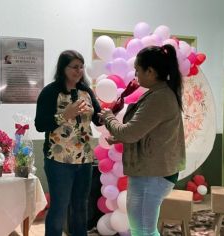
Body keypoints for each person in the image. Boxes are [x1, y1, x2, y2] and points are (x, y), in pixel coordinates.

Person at [98, 44, 186, 236]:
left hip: (152, 174)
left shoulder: (159, 97)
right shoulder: (158, 93)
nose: (135, 76)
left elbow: (130, 132)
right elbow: (145, 131)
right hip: (151, 172)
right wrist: (120, 136)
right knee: (143, 228)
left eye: (138, 71)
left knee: (143, 230)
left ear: (151, 71)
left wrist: (109, 117)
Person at [35, 50, 102, 236]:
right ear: (63, 68)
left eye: (81, 67)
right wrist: (65, 115)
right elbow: (40, 124)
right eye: (74, 67)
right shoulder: (50, 92)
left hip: (85, 160)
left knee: (81, 207)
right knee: (59, 207)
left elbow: (97, 119)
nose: (79, 71)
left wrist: (109, 116)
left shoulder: (86, 91)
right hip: (59, 161)